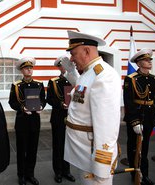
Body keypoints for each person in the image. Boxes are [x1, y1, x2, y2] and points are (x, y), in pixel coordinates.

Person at [63, 31, 122, 185]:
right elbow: (83, 90)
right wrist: (70, 72)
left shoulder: (105, 76)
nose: (71, 58)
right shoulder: (90, 72)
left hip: (93, 157)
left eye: (74, 53)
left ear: (87, 51)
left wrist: (102, 166)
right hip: (83, 152)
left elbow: (106, 126)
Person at [123, 49, 155, 185]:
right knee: (134, 147)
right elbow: (128, 102)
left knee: (144, 148)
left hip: (149, 117)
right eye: (146, 60)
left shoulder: (153, 79)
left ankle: (144, 175)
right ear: (139, 63)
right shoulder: (131, 79)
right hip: (137, 117)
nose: (150, 62)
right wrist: (134, 121)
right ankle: (135, 175)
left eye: (150, 60)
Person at [8, 57, 46, 185]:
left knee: (33, 150)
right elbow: (12, 102)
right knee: (21, 150)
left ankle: (30, 174)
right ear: (21, 70)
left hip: (35, 121)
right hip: (22, 122)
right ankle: (21, 176)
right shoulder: (17, 85)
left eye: (31, 68)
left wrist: (41, 106)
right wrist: (22, 108)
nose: (29, 70)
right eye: (26, 68)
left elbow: (43, 100)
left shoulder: (39, 84)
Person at [46, 56, 75, 183]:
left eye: (66, 65)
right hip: (58, 117)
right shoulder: (53, 82)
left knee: (69, 145)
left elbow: (79, 97)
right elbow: (49, 99)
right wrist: (60, 104)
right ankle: (58, 171)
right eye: (62, 65)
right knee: (58, 145)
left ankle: (67, 171)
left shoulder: (74, 81)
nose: (64, 68)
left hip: (71, 117)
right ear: (59, 67)